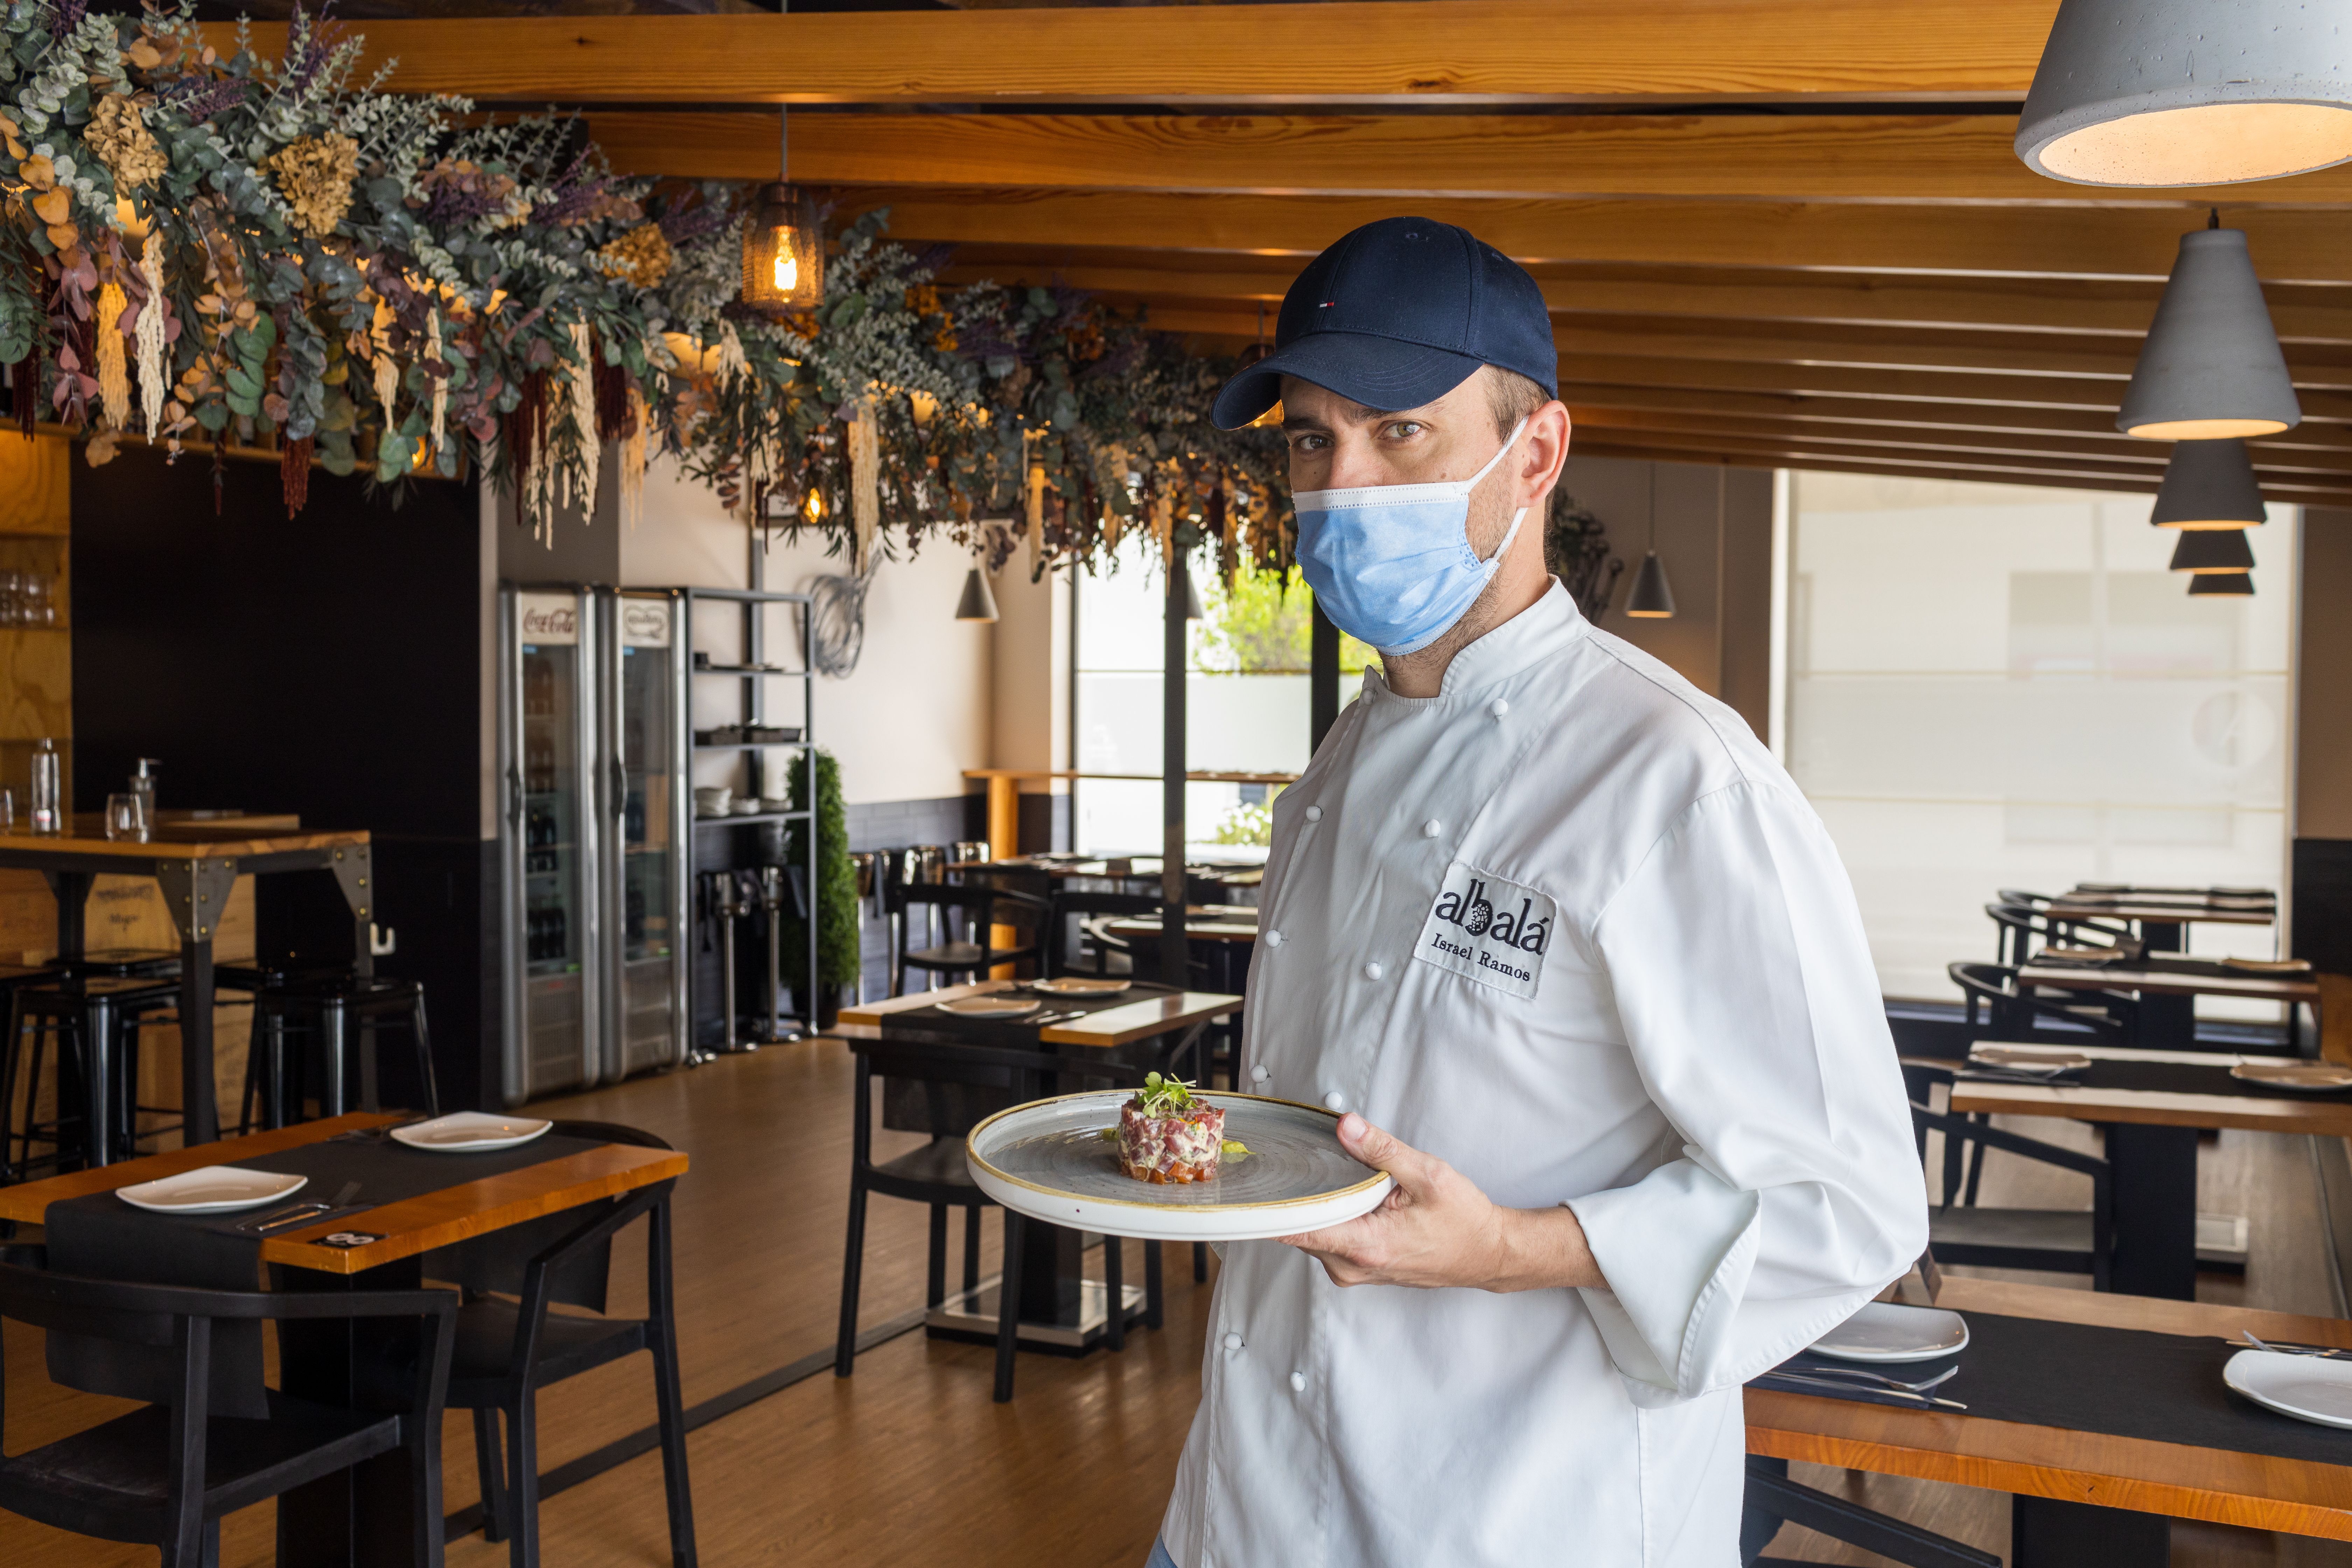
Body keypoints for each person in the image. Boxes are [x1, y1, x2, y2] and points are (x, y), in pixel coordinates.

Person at [1142, 217, 1929, 1568]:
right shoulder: (1335, 772)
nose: (1340, 487)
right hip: (1250, 1504)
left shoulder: (1679, 781)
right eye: (1309, 441)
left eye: (1399, 433)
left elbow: (1848, 1204)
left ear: (1537, 454)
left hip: (1517, 1513)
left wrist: (1511, 1246)